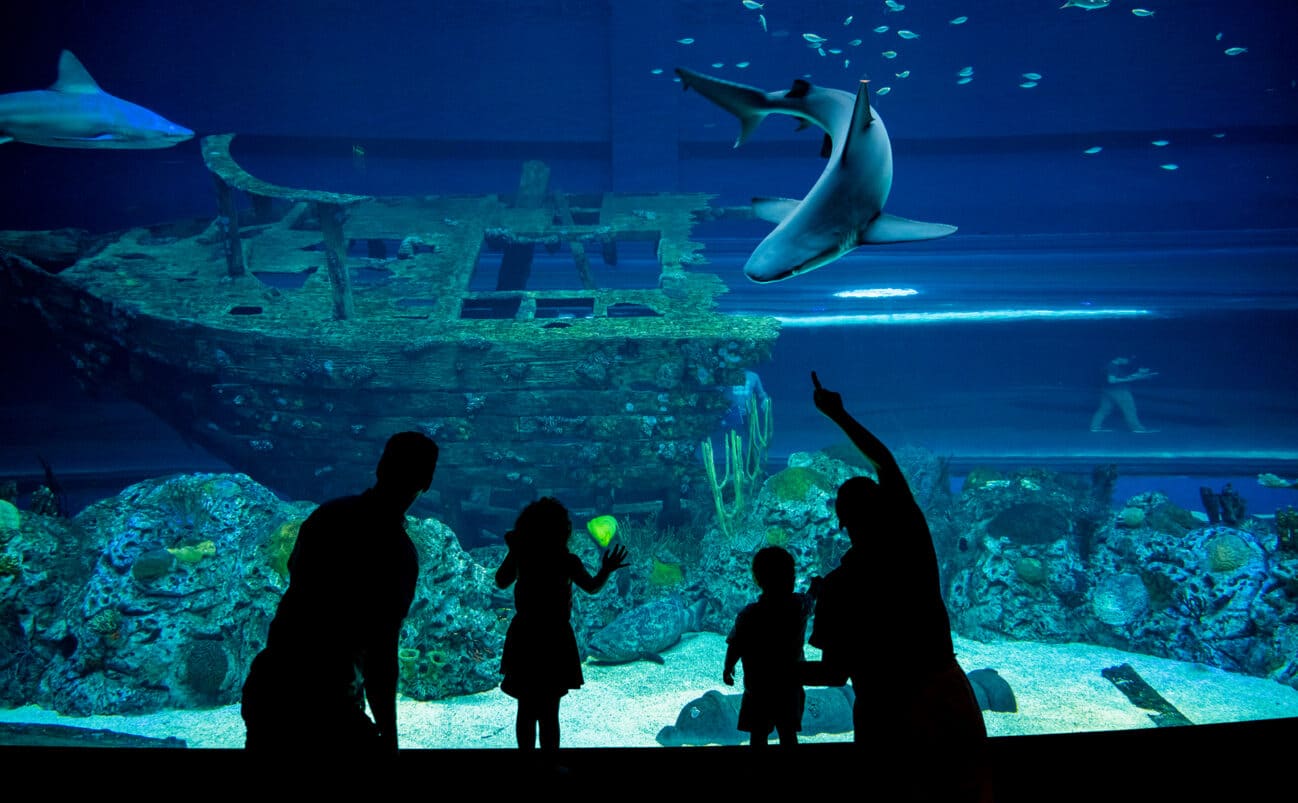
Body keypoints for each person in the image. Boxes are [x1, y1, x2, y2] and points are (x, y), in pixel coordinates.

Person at [808, 371, 989, 801]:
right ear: (884, 507)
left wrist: (778, 670)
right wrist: (839, 415)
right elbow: (885, 463)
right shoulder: (912, 540)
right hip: (946, 695)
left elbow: (833, 672)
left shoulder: (842, 584)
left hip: (886, 715)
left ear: (842, 523)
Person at [241, 431, 438, 754]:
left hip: (272, 684)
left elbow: (295, 573)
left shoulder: (327, 516)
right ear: (426, 482)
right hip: (330, 703)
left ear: (380, 467)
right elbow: (382, 654)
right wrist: (390, 739)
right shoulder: (398, 553)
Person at [494, 497, 628, 761]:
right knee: (549, 711)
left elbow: (501, 581)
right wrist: (606, 570)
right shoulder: (567, 560)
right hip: (554, 638)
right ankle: (550, 765)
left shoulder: (523, 555)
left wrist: (515, 549)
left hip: (526, 636)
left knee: (526, 708)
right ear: (561, 530)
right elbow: (592, 587)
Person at [723, 545, 815, 750]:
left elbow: (735, 644)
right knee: (788, 734)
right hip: (789, 686)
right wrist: (815, 589)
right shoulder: (797, 607)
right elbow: (810, 600)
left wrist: (728, 667)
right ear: (791, 578)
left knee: (758, 735)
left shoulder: (749, 614)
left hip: (758, 688)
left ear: (757, 579)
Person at [1090, 356, 1157, 433]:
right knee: (1129, 409)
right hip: (1119, 391)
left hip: (1107, 390)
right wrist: (1130, 379)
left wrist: (1138, 375)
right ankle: (1137, 428)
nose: (1127, 361)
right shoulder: (1113, 367)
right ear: (1119, 357)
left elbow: (1120, 378)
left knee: (1104, 409)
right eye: (1126, 359)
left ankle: (1095, 427)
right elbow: (1112, 380)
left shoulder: (1110, 366)